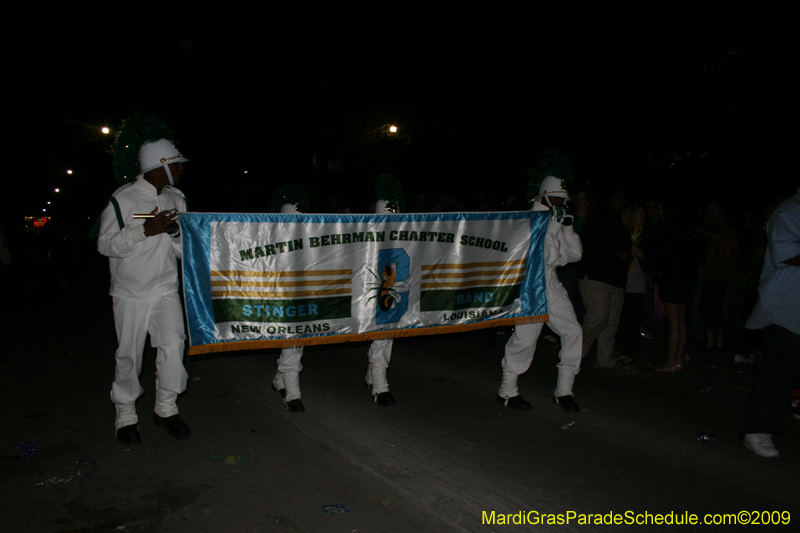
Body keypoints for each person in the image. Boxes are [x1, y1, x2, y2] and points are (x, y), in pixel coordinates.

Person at [98, 115, 191, 445]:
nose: (181, 169)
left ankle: (166, 409)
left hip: (166, 289)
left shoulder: (177, 199)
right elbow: (104, 245)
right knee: (129, 355)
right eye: (177, 164)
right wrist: (143, 230)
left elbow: (182, 251)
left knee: (174, 344)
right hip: (131, 293)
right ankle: (125, 416)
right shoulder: (122, 198)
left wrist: (177, 234)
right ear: (160, 165)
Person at [498, 151, 583, 413]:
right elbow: (547, 257)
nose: (562, 204)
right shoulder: (530, 221)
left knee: (573, 331)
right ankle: (508, 390)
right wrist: (556, 227)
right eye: (558, 199)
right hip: (531, 286)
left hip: (552, 284)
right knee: (525, 340)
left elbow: (574, 256)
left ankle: (564, 390)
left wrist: (567, 228)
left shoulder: (555, 219)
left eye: (564, 200)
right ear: (544, 197)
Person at [740, 187, 800, 458]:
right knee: (780, 367)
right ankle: (758, 428)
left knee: (789, 368)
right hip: (785, 307)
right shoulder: (790, 211)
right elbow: (784, 254)